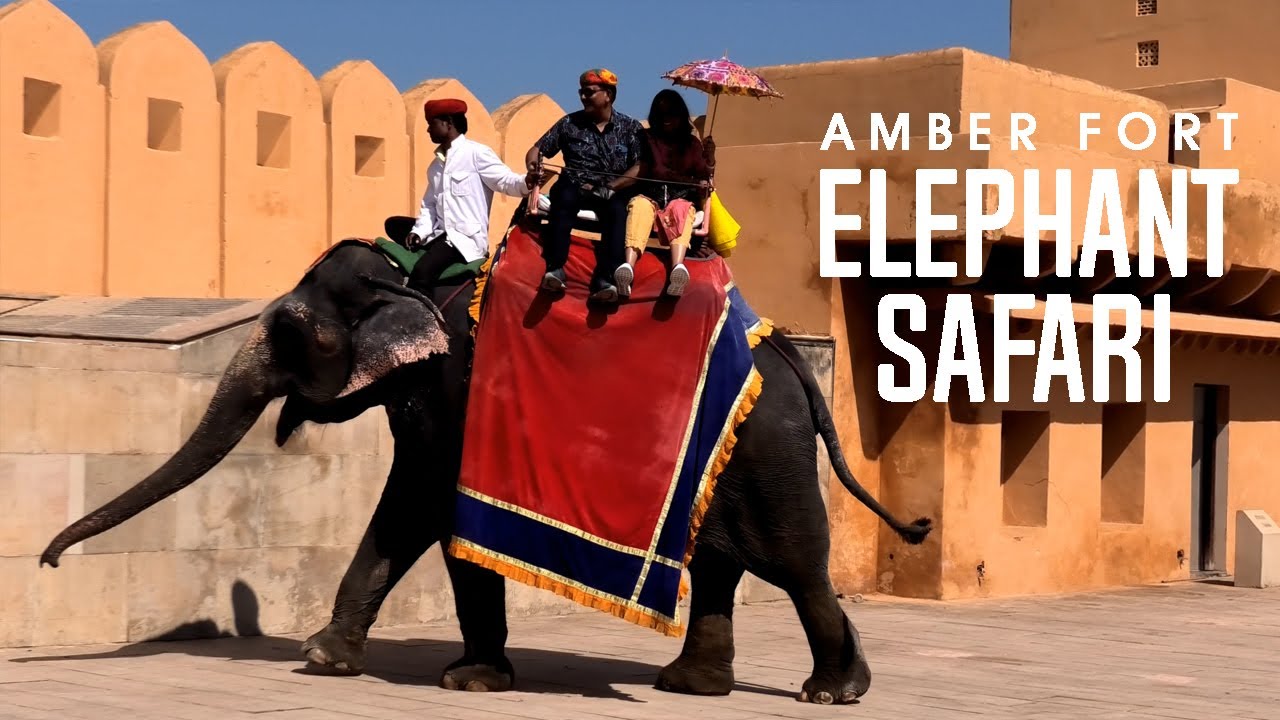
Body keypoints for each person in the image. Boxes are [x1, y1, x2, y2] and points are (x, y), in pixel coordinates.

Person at [525, 68, 644, 303]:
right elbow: (537, 149)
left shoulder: (631, 128)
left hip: (610, 190)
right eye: (581, 92)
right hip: (574, 184)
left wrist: (612, 186)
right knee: (563, 197)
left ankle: (606, 280)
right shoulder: (569, 123)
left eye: (589, 93)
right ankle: (555, 268)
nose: (583, 97)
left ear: (608, 95)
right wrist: (532, 166)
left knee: (618, 212)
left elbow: (640, 167)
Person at [405, 98, 539, 294]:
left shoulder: (477, 154)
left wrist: (526, 182)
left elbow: (505, 181)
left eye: (431, 124)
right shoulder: (435, 167)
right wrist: (418, 232)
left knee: (421, 273)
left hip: (462, 240)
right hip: (438, 234)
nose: (427, 130)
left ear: (448, 123)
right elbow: (429, 206)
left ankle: (420, 322)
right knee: (395, 225)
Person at [613, 90, 716, 298]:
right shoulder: (646, 139)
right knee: (639, 206)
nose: (666, 119)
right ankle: (628, 267)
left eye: (671, 113)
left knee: (681, 210)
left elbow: (705, 176)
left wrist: (710, 157)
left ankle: (677, 267)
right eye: (661, 114)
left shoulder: (693, 144)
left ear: (680, 114)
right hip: (650, 195)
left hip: (681, 197)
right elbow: (644, 168)